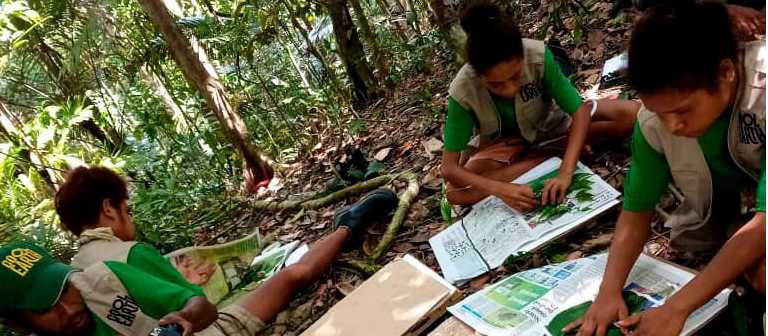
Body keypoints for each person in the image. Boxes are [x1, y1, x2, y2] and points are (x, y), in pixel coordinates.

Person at [2, 166, 398, 335]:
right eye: (45, 308)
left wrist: (188, 297)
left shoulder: (87, 271)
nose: (69, 307)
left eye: (62, 292)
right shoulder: (128, 256)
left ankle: (348, 224)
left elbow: (189, 305)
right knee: (292, 275)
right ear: (110, 208)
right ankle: (349, 225)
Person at [564, 2, 765, 335]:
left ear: (726, 73)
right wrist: (609, 290)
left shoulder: (763, 91)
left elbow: (763, 226)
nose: (672, 125)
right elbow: (636, 213)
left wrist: (677, 308)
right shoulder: (654, 125)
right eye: (661, 112)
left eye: (683, 110)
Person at [441, 2, 639, 212]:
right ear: (478, 75)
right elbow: (449, 168)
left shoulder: (536, 56)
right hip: (506, 149)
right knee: (456, 192)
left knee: (630, 115)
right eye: (496, 85)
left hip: (552, 128)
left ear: (522, 58)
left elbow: (579, 112)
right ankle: (557, 156)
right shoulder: (462, 90)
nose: (509, 89)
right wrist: (501, 189)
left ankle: (552, 160)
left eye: (516, 76)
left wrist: (565, 172)